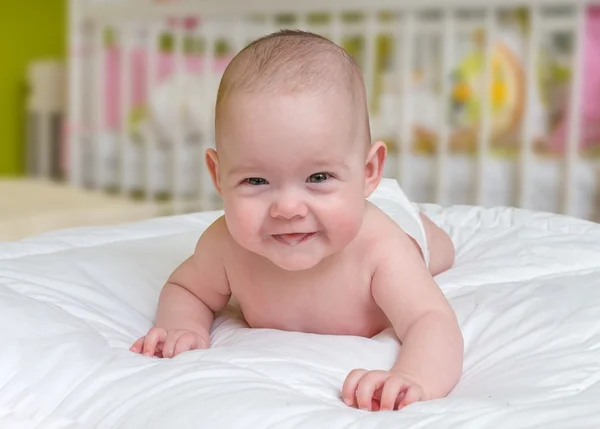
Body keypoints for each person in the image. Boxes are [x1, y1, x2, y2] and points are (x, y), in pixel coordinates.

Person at [130, 29, 463, 412]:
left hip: (388, 216)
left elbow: (431, 320)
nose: (287, 208)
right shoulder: (225, 246)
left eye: (318, 177)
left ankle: (412, 215)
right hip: (344, 207)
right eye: (256, 180)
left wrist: (414, 377)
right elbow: (185, 289)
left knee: (436, 251)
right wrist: (182, 326)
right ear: (217, 175)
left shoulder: (381, 249)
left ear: (369, 170)